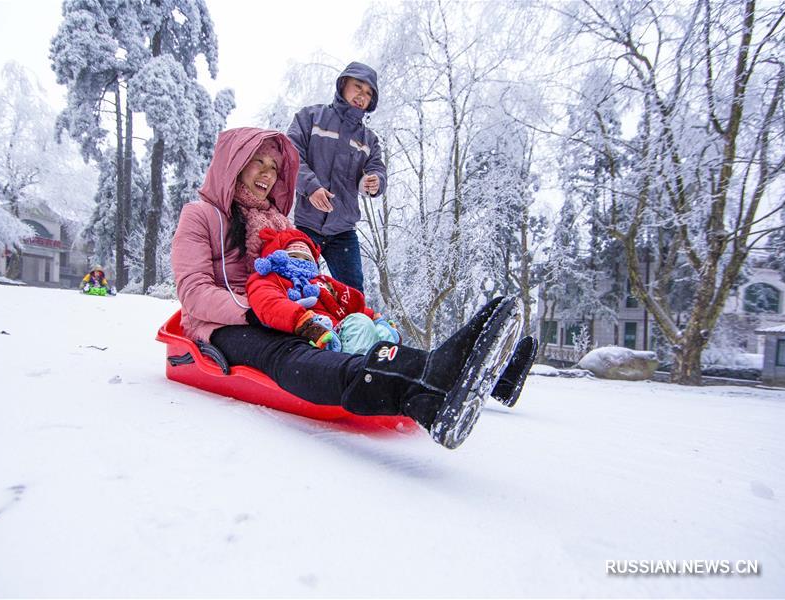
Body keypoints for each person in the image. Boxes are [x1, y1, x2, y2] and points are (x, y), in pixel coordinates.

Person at [171, 127, 537, 449]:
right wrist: (257, 313)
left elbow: (301, 277)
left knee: (353, 329)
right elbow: (193, 292)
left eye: (274, 167)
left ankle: (483, 377)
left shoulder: (277, 222)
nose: (268, 174)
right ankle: (420, 394)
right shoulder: (201, 215)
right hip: (225, 324)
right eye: (259, 162)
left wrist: (325, 305)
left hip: (281, 306)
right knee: (290, 354)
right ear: (234, 163)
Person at [286, 61, 386, 294]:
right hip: (305, 224)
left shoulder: (369, 140)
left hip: (343, 231)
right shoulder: (311, 117)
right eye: (358, 86)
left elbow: (376, 169)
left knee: (353, 294)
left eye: (368, 93)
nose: (362, 96)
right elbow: (291, 156)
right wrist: (311, 188)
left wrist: (373, 182)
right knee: (295, 284)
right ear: (343, 85)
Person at [246, 226, 400, 355]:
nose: (301, 261)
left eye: (307, 258)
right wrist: (305, 324)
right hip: (314, 336)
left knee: (381, 332)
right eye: (293, 255)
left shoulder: (321, 282)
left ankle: (388, 369)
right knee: (359, 324)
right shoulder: (270, 279)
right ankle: (362, 370)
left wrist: (374, 318)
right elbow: (269, 303)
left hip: (339, 330)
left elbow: (345, 305)